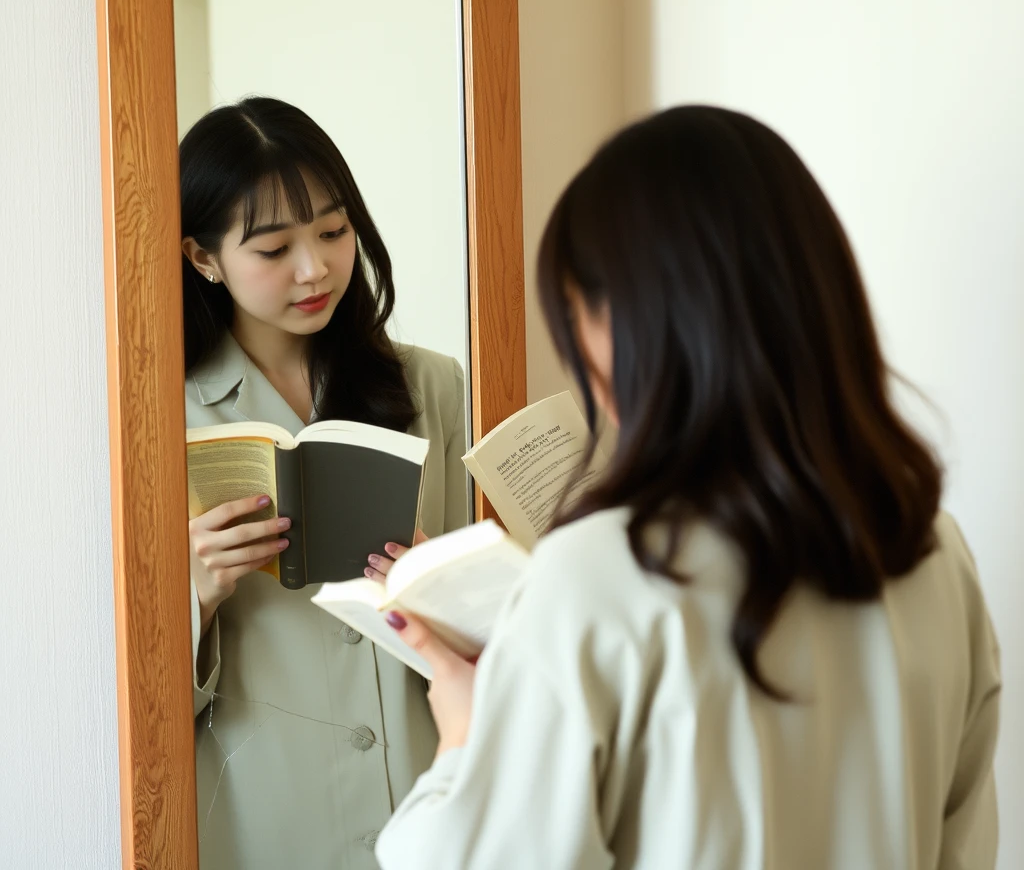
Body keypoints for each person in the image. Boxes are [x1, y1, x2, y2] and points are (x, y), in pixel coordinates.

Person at [376, 105, 1001, 869]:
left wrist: (464, 741)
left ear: (634, 325)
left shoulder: (601, 572)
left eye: (575, 318)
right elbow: (965, 849)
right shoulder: (933, 551)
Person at [179, 97, 468, 870]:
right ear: (203, 258)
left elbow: (502, 632)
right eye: (273, 249)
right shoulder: (157, 420)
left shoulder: (434, 387)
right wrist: (194, 590)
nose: (315, 270)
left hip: (424, 794)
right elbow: (111, 695)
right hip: (262, 811)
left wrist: (444, 578)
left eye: (334, 232)